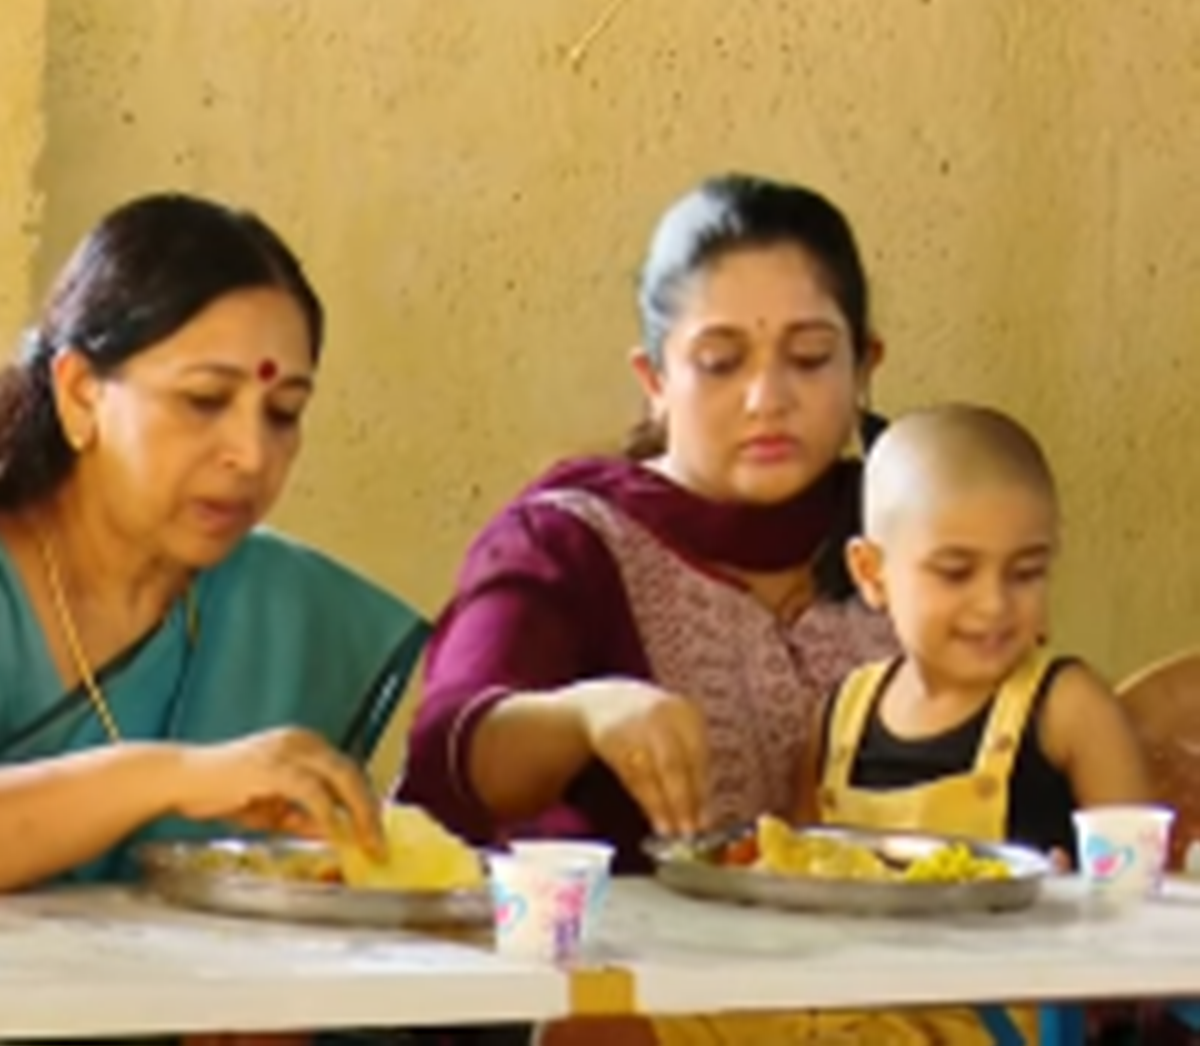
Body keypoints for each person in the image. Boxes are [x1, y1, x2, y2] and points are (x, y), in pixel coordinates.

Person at [397, 170, 897, 870]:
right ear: (655, 381)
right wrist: (583, 717)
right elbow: (445, 757)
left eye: (810, 358)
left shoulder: (915, 531)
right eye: (721, 363)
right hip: (638, 975)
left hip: (907, 975)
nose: (767, 398)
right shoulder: (566, 543)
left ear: (864, 365)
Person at [0, 192, 428, 891]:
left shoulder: (286, 606)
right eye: (204, 400)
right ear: (80, 392)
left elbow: (454, 761)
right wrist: (171, 777)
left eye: (284, 413)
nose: (252, 456)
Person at [791, 403, 1154, 1045]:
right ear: (872, 574)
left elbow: (1144, 916)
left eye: (1027, 572)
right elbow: (795, 885)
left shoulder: (1070, 709)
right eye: (956, 572)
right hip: (839, 1013)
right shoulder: (838, 715)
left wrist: (1077, 916)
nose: (993, 604)